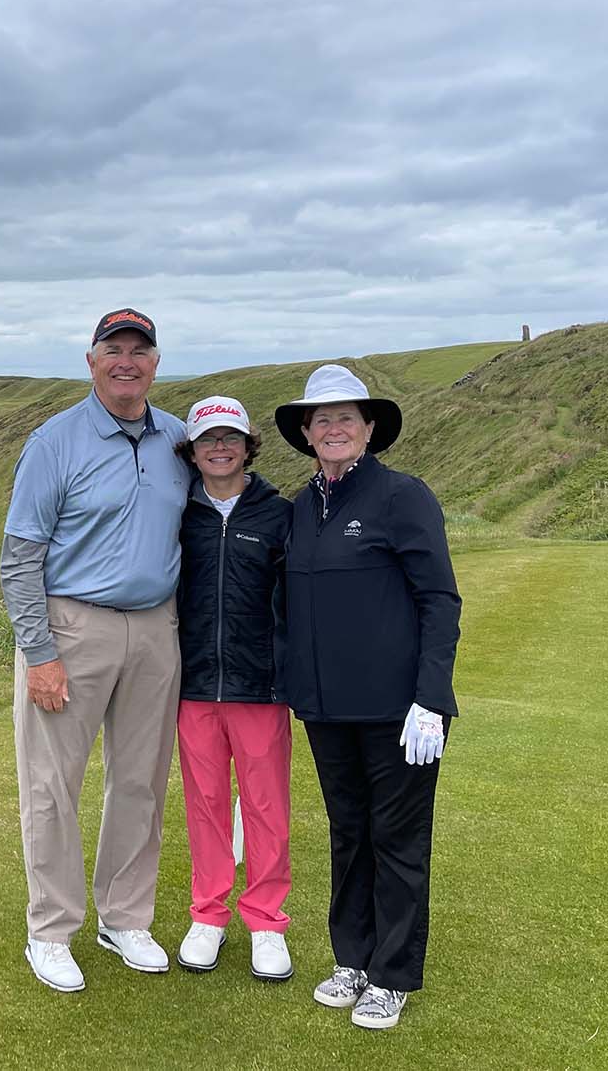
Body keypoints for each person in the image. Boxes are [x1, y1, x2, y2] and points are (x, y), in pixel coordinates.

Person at [0, 307, 189, 993]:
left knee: (140, 779)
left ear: (156, 362)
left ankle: (125, 916)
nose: (127, 360)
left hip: (155, 628)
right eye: (114, 348)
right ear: (91, 359)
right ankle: (50, 929)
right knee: (52, 784)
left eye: (140, 349)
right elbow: (20, 557)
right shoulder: (55, 441)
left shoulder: (177, 438)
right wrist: (39, 650)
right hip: (72, 627)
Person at [274, 364, 461, 1030]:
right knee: (349, 834)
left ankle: (391, 975)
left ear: (370, 427)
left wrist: (431, 698)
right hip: (327, 711)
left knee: (398, 840)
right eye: (320, 419)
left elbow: (439, 599)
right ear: (306, 432)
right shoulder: (301, 508)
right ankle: (351, 959)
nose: (333, 428)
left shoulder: (402, 497)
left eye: (345, 417)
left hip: (400, 712)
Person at [171, 396, 295, 981]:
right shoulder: (177, 514)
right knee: (206, 804)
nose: (219, 448)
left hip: (259, 686)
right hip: (193, 684)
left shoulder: (280, 515)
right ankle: (209, 915)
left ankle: (267, 920)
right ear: (192, 452)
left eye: (231, 438)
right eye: (207, 440)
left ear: (248, 447)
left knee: (267, 806)